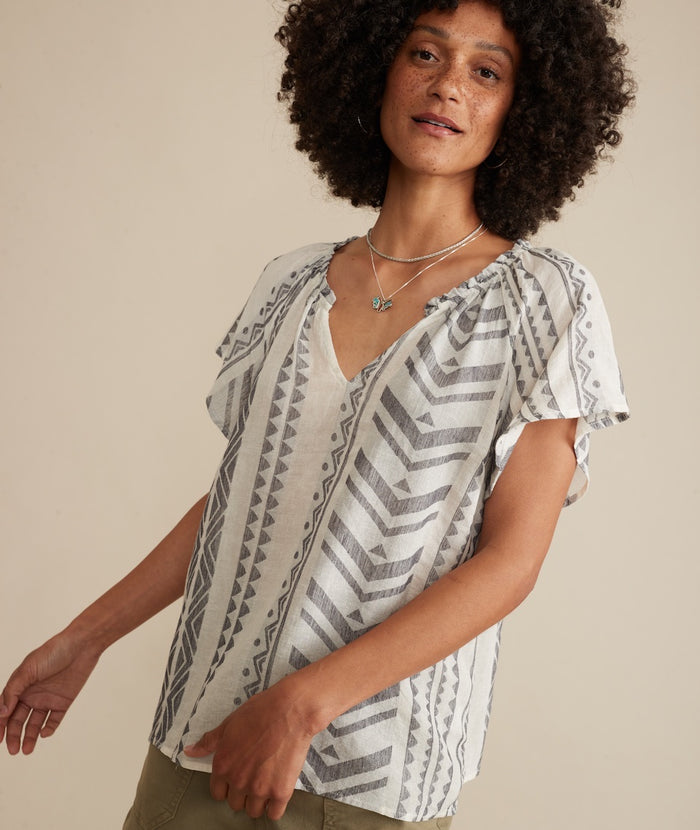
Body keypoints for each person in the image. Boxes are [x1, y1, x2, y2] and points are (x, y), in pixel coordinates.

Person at [0, 0, 634, 827]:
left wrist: (303, 705)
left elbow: (511, 561)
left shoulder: (541, 300)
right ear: (374, 68)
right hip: (201, 742)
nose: (448, 86)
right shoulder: (290, 285)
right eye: (424, 54)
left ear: (525, 107)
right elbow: (243, 501)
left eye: (486, 71)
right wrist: (85, 638)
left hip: (367, 774)